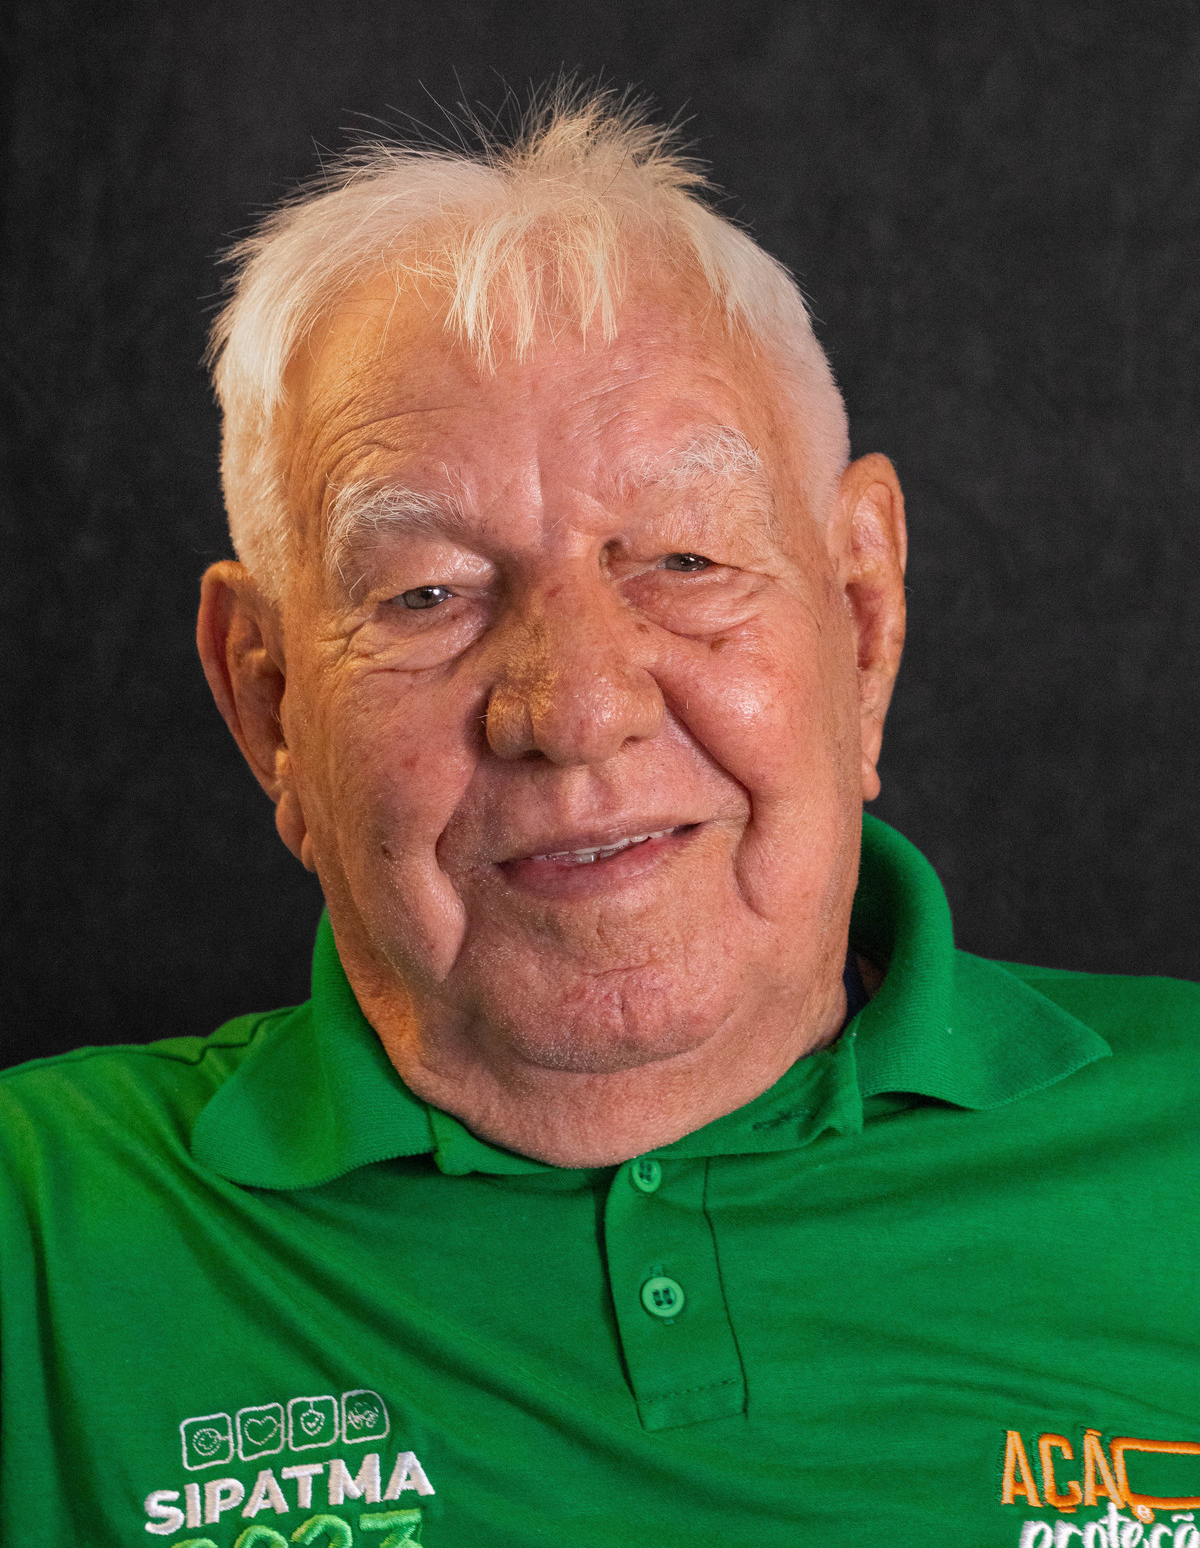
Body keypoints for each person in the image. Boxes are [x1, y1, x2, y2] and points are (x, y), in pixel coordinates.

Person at [2, 91, 1198, 1548]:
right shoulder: (36, 1230)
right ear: (269, 704)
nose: (574, 709)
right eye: (427, 594)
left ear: (864, 619)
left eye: (685, 560)